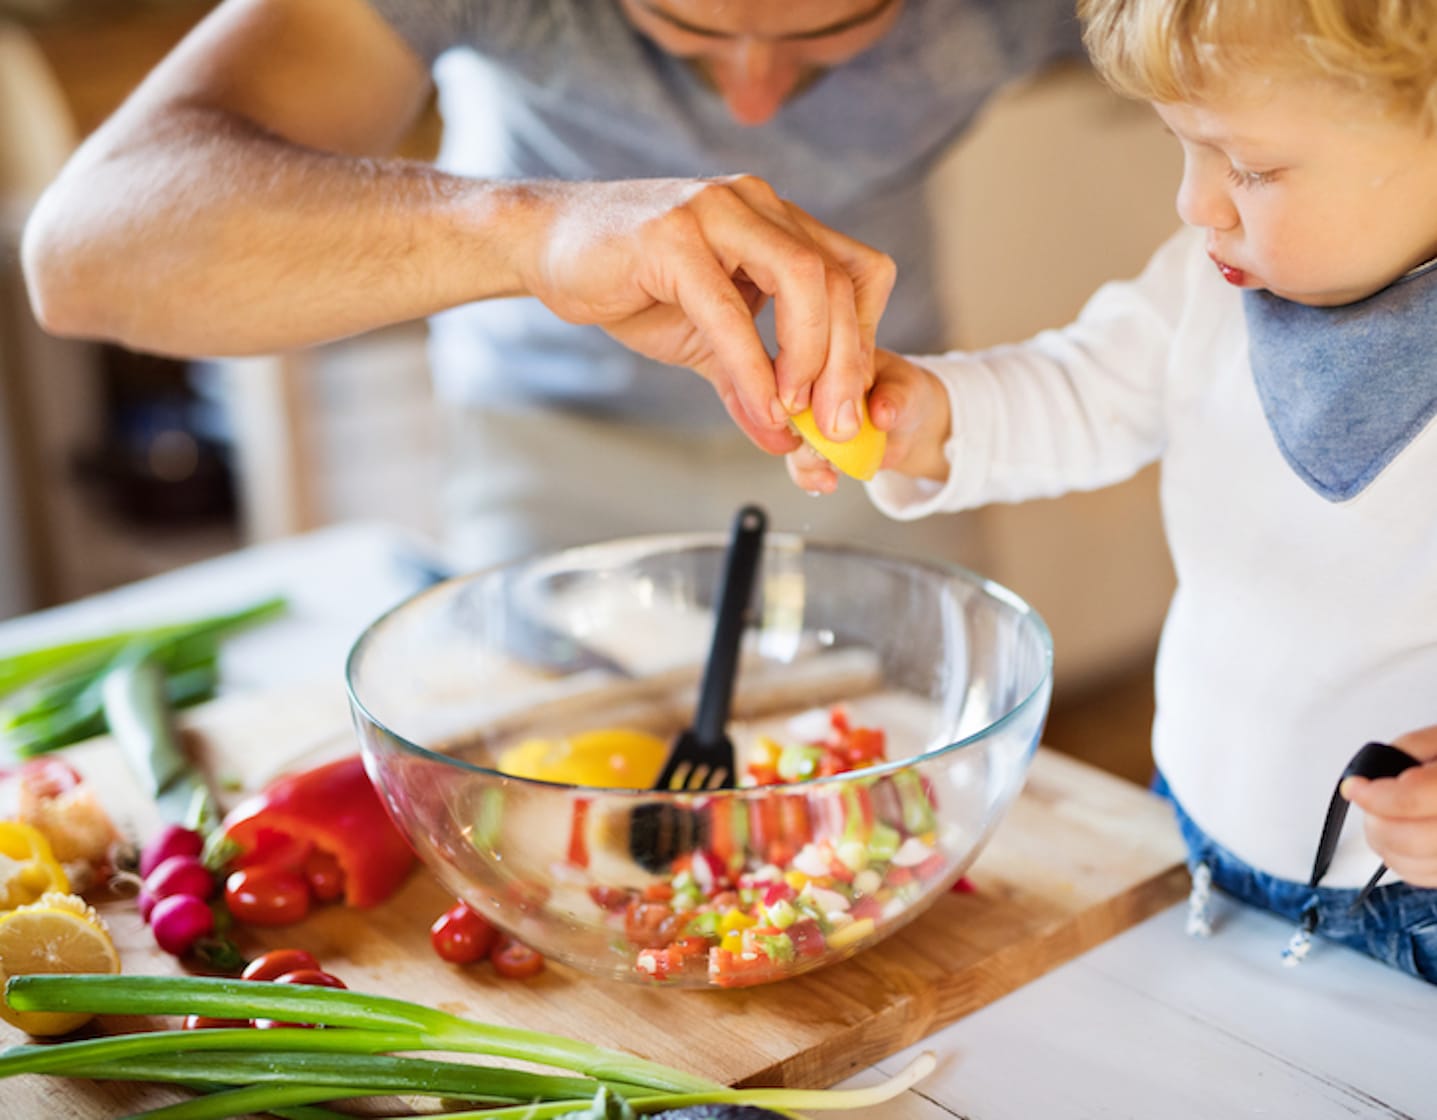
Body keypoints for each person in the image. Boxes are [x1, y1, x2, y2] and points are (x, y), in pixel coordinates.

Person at [785, 0, 1437, 981]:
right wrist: (936, 419)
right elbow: (1082, 389)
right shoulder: (1203, 288)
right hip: (1194, 826)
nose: (1193, 203)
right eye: (1178, 144)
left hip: (1408, 904)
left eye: (1249, 167)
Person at [20, 0, 1084, 569]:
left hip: (883, 453)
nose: (754, 101)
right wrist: (533, 231)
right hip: (548, 463)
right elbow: (81, 257)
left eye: (830, 36)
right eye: (692, 27)